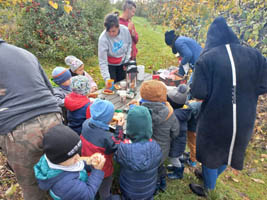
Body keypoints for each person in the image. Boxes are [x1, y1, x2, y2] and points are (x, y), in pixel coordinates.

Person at [189, 16, 267, 197]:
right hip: (245, 116)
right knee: (231, 149)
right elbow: (264, 84)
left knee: (209, 152)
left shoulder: (207, 58)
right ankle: (211, 176)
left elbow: (199, 92)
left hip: (215, 116)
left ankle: (209, 189)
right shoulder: (255, 55)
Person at [0, 39, 62, 200]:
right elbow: (50, 89)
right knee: (60, 174)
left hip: (18, 129)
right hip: (53, 118)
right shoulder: (24, 52)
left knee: (32, 186)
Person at [34, 124, 106, 200]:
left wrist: (90, 161)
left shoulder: (56, 159)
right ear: (59, 160)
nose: (78, 158)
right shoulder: (66, 185)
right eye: (73, 157)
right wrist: (97, 171)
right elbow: (88, 195)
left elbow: (77, 163)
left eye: (78, 153)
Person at [139, 80, 180, 192]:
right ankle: (162, 182)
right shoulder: (170, 112)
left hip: (145, 149)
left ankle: (155, 187)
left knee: (152, 172)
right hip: (162, 149)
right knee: (159, 166)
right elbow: (175, 132)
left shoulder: (140, 112)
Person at [115, 105, 162, 200]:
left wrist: (119, 129)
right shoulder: (156, 147)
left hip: (128, 191)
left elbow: (116, 146)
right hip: (148, 190)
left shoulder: (124, 148)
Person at [80, 99, 124, 200]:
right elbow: (117, 144)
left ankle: (93, 196)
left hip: (87, 163)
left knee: (91, 185)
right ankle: (106, 197)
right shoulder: (107, 137)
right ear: (108, 119)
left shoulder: (86, 124)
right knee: (104, 188)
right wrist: (119, 128)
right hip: (103, 169)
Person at [166, 84, 191, 179]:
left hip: (176, 140)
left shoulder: (175, 115)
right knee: (179, 154)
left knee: (173, 157)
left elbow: (171, 129)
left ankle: (178, 172)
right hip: (181, 139)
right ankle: (178, 165)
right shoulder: (184, 109)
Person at [98, 13, 132, 83]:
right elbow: (102, 61)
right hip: (110, 65)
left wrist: (127, 60)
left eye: (113, 31)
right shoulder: (103, 39)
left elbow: (129, 45)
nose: (111, 34)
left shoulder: (125, 31)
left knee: (122, 84)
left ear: (118, 26)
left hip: (122, 63)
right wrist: (107, 79)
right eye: (108, 31)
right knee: (112, 86)